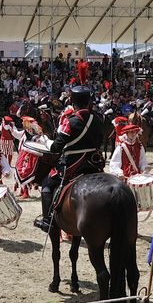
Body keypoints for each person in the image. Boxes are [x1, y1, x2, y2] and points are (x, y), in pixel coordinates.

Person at [33, 85, 105, 232]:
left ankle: (47, 221)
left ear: (73, 103)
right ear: (89, 102)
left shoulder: (71, 122)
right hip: (93, 163)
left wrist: (45, 140)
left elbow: (55, 148)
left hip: (74, 165)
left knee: (47, 185)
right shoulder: (98, 120)